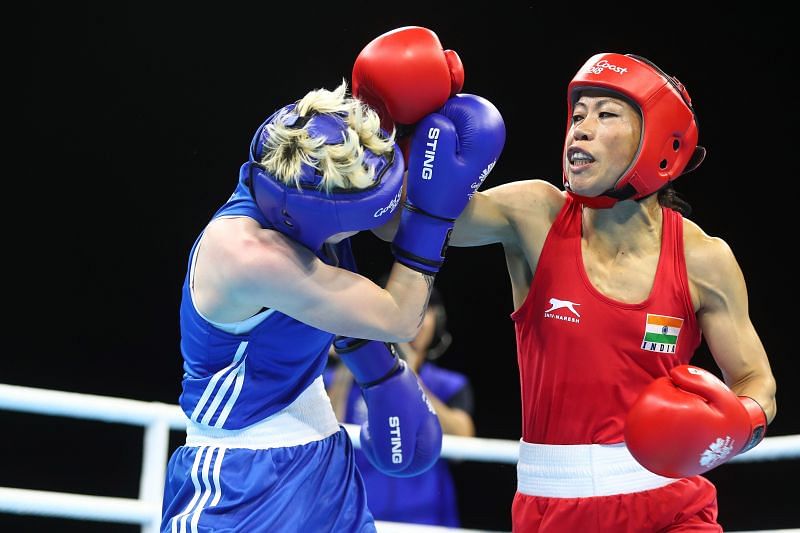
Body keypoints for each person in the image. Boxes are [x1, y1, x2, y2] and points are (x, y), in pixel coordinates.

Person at [373, 52, 777, 531]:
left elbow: (757, 382)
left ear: (659, 141)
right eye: (578, 114)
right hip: (554, 505)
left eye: (605, 114)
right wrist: (390, 128)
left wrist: (736, 427)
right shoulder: (534, 215)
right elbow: (397, 224)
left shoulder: (703, 258)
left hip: (673, 505)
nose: (580, 129)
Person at [159, 26, 506, 533]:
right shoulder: (248, 254)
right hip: (241, 479)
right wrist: (434, 215)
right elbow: (399, 314)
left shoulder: (305, 166)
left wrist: (404, 120)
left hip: (325, 457)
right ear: (311, 214)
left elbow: (374, 209)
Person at [325, 284, 475, 527]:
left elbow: (464, 441)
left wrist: (406, 376)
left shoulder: (448, 385)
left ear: (437, 320)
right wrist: (351, 355)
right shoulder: (334, 382)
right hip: (358, 513)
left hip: (425, 518)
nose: (411, 322)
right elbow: (325, 438)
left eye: (424, 311)